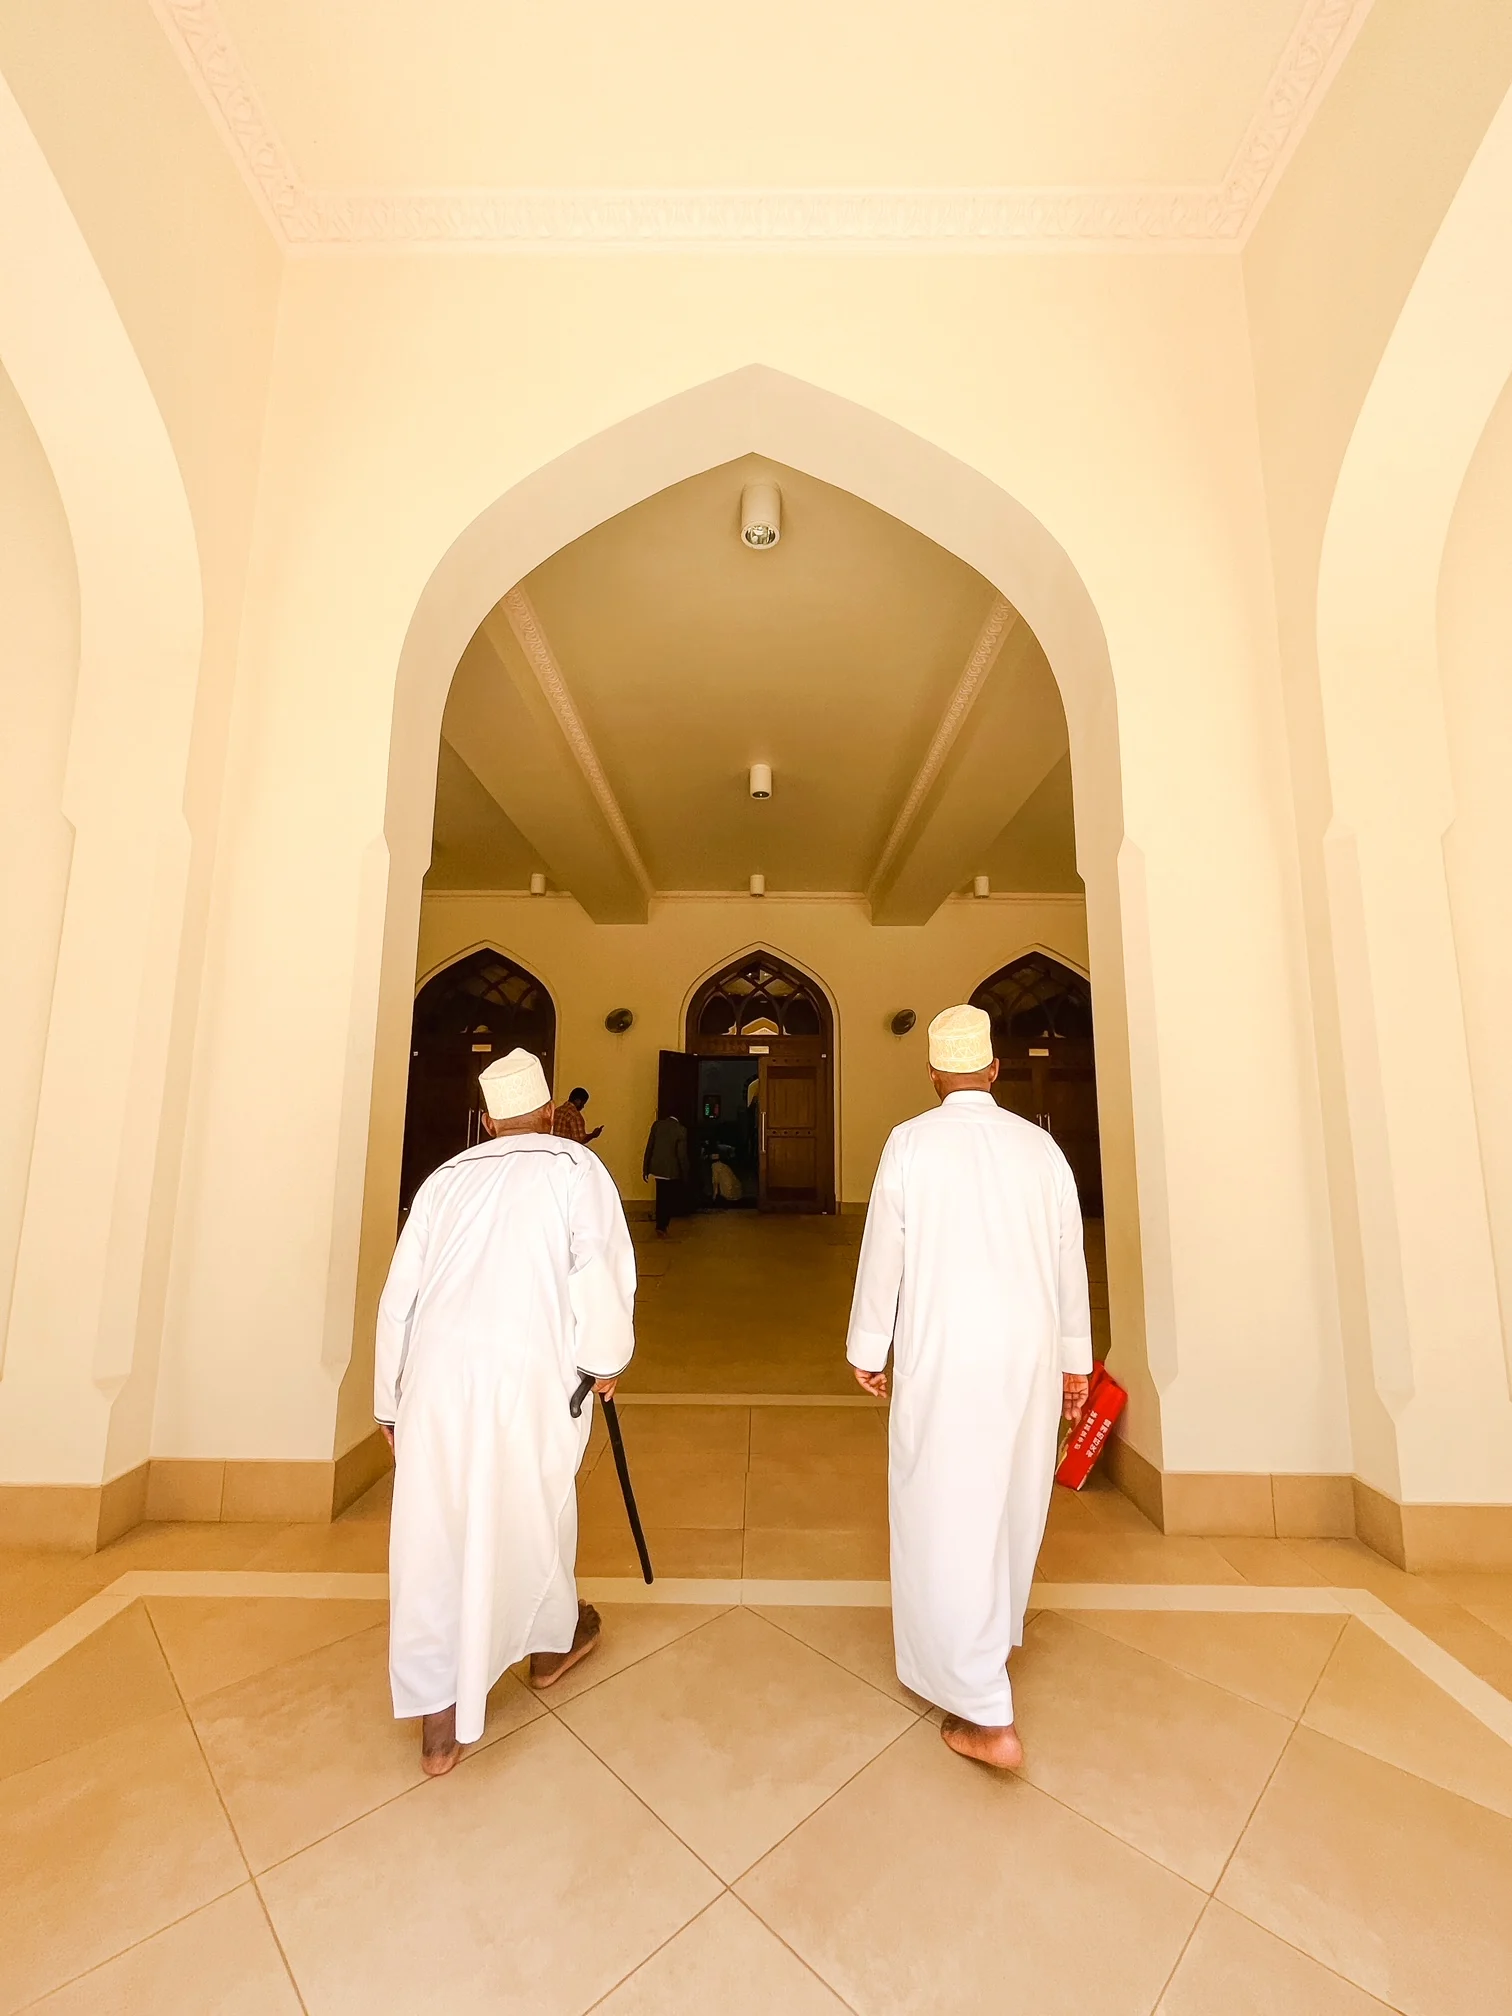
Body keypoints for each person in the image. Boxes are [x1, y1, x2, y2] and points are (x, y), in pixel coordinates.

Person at [375, 1047, 636, 1777]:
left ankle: (438, 1723)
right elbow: (599, 1269)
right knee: (531, 1509)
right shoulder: (574, 1168)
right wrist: (606, 1361)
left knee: (430, 1534)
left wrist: (390, 1402)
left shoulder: (444, 1182)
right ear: (550, 1113)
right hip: (528, 1376)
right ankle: (550, 1647)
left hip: (433, 1380)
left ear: (487, 1120)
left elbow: (400, 1299)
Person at [845, 1003, 1091, 1771]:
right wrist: (1074, 1360)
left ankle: (985, 1710)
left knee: (946, 1511)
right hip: (1026, 1353)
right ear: (992, 1070)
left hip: (946, 1354)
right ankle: (990, 1642)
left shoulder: (911, 1144)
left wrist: (868, 1346)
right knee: (1012, 1501)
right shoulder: (1040, 1148)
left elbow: (885, 1250)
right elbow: (1068, 1257)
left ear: (932, 1076)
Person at [642, 1110, 690, 1235]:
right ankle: (663, 1225)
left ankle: (659, 1224)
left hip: (656, 1168)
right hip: (671, 1169)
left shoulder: (657, 1125)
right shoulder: (681, 1130)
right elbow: (681, 1155)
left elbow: (649, 1146)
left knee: (660, 1195)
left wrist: (645, 1168)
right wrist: (685, 1173)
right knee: (668, 1198)